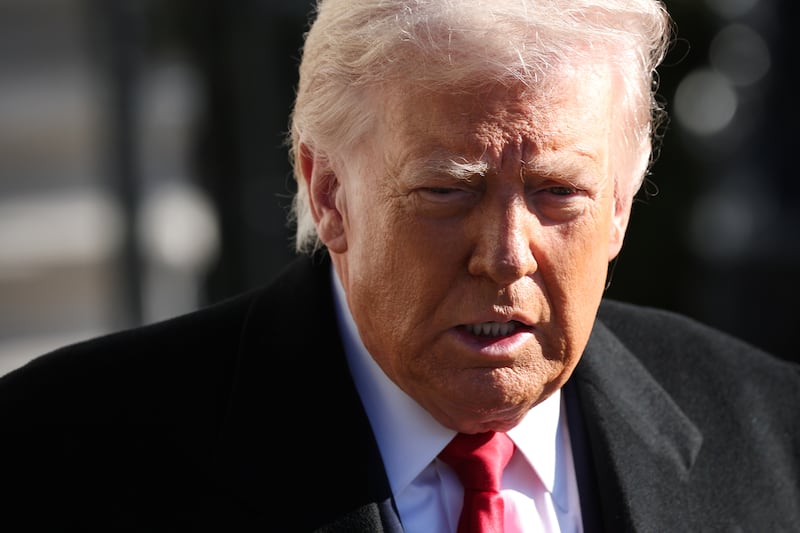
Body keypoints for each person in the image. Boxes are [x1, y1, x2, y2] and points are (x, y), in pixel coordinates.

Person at [0, 0, 797, 530]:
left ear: (621, 203)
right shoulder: (63, 459)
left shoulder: (771, 439)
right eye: (448, 192)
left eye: (559, 193)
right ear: (329, 194)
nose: (506, 254)